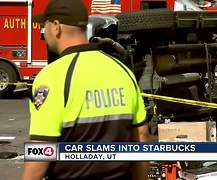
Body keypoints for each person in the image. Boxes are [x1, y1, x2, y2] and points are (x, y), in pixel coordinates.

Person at [22, 0, 149, 180]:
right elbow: (141, 136)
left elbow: (42, 151)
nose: (43, 31)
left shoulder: (52, 76)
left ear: (56, 27)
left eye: (45, 25)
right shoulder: (122, 71)